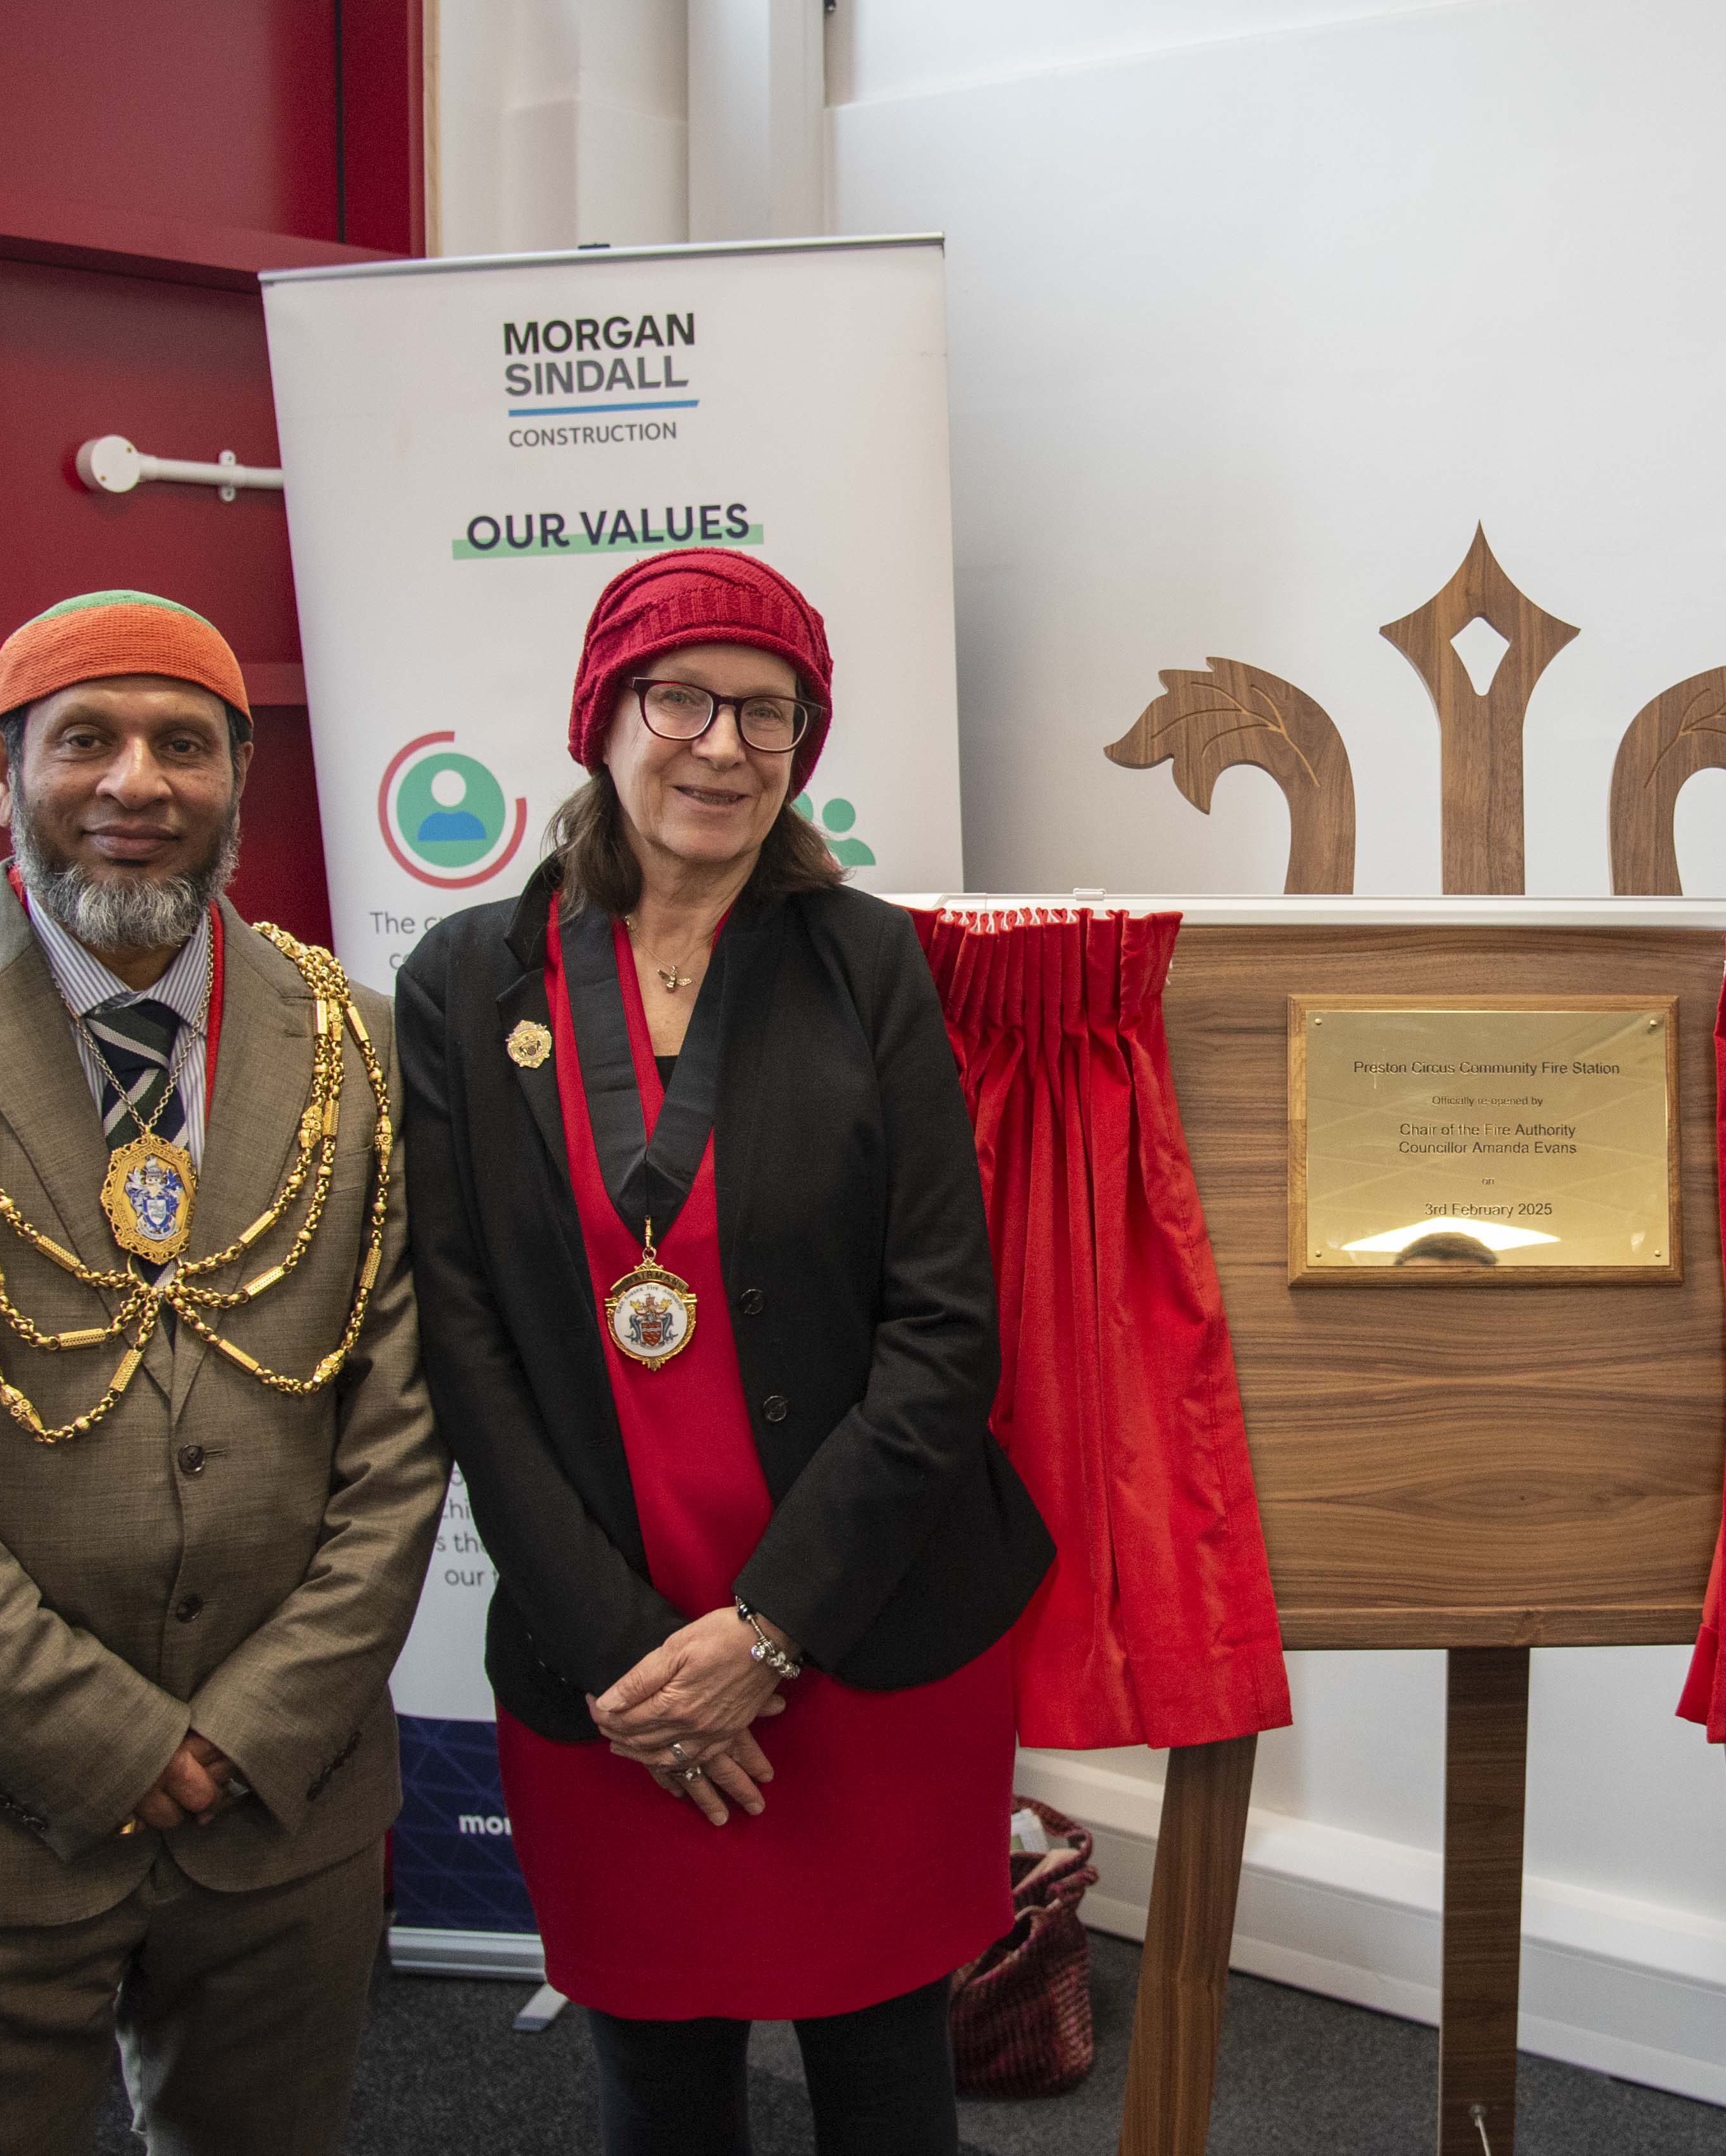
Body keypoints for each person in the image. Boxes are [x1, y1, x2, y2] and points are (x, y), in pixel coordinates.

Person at [0, 590, 445, 2156]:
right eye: (86, 741)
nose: (137, 782)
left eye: (184, 744)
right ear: (2, 775)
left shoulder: (366, 1045)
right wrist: (111, 1743)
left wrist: (250, 1726)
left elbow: (401, 1429)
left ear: (237, 785)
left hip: (286, 1808)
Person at [398, 548, 1052, 2156]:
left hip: (864, 1622)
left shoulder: (865, 962)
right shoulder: (462, 983)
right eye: (678, 697)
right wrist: (639, 1660)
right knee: (659, 2088)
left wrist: (766, 1637)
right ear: (601, 719)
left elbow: (943, 1326)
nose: (723, 745)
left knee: (888, 2084)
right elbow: (461, 1338)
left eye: (770, 713)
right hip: (606, 1655)